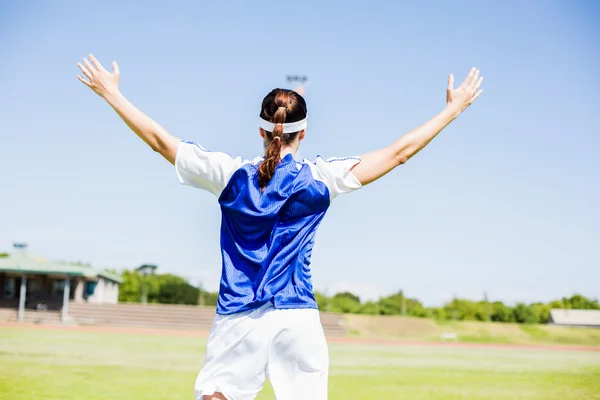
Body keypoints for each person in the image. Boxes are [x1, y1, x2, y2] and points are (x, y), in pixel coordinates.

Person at [77, 54, 483, 400]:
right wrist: (454, 108)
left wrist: (110, 92)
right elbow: (398, 154)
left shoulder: (228, 174)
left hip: (238, 318)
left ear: (261, 130)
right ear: (302, 133)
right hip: (298, 321)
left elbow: (159, 141)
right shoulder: (323, 178)